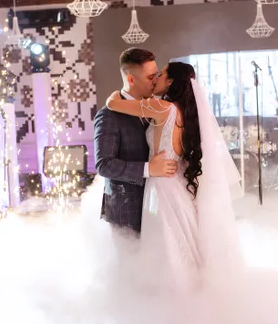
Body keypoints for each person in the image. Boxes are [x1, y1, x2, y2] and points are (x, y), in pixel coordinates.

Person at [106, 61, 242, 288]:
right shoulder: (184, 112)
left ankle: (175, 295)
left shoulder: (162, 108)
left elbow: (113, 104)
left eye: (160, 74)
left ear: (170, 82)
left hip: (162, 188)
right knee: (183, 245)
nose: (155, 78)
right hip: (177, 185)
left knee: (168, 247)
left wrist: (113, 95)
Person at [94, 48, 178, 233]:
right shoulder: (108, 115)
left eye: (156, 75)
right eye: (150, 77)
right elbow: (104, 164)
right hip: (126, 211)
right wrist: (149, 168)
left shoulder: (156, 106)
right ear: (131, 79)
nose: (155, 81)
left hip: (156, 206)